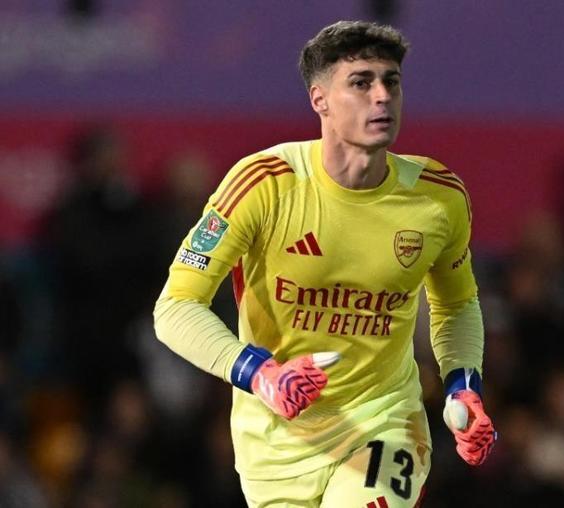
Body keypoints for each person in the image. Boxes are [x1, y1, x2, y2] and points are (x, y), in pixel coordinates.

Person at [154, 20, 496, 507]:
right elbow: (175, 308)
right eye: (361, 83)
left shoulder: (438, 198)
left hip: (384, 421)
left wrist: (463, 385)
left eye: (391, 81)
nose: (382, 96)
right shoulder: (264, 184)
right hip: (276, 443)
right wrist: (260, 373)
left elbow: (458, 303)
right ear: (320, 100)